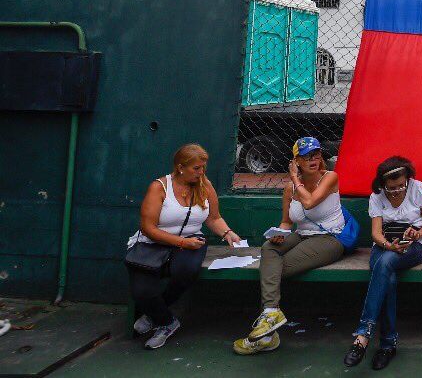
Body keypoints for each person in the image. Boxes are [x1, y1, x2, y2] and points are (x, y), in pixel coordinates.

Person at [234, 137, 347, 355]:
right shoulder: (289, 189)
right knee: (269, 248)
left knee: (273, 270)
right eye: (306, 157)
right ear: (296, 161)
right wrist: (280, 234)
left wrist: (296, 178)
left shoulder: (330, 177)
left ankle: (266, 333)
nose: (313, 159)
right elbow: (287, 221)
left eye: (315, 154)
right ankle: (270, 312)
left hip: (329, 239)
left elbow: (310, 201)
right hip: (301, 234)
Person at [127, 144, 241, 349]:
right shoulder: (159, 187)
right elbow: (147, 228)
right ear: (180, 167)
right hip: (155, 242)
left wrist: (227, 233)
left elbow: (214, 218)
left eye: (203, 168)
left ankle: (156, 318)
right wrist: (181, 242)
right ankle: (167, 321)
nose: (201, 173)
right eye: (196, 168)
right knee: (142, 290)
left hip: (191, 241)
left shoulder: (205, 186)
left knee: (186, 271)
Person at [344, 156, 422, 370]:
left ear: (407, 179)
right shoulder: (377, 196)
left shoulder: (419, 189)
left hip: (413, 246)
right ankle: (387, 345)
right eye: (391, 188)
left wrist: (418, 232)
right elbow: (375, 234)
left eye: (400, 186)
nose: (396, 191)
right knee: (389, 277)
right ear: (382, 184)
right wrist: (388, 245)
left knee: (385, 265)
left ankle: (363, 334)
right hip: (385, 245)